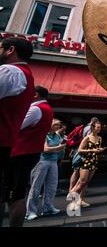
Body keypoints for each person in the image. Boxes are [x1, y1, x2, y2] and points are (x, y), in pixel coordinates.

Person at [3, 86, 53, 226]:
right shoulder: (47, 109)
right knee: (18, 193)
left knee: (13, 194)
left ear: (36, 95)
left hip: (19, 154)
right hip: (30, 153)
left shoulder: (36, 109)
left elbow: (15, 126)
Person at [0, 37, 35, 225]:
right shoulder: (25, 75)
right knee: (16, 195)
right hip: (9, 144)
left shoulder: (9, 71)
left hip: (12, 147)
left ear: (10, 50)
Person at [25, 119, 66, 220]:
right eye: (57, 125)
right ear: (51, 125)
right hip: (42, 162)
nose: (59, 127)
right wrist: (58, 148)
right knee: (36, 187)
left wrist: (61, 150)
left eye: (59, 125)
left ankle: (48, 208)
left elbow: (61, 148)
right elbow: (45, 149)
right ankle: (30, 212)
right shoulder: (44, 135)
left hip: (53, 162)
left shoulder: (57, 136)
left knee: (52, 187)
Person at [69, 121, 106, 206]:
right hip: (85, 161)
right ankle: (72, 196)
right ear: (93, 128)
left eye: (100, 127)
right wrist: (92, 150)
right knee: (82, 181)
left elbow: (97, 148)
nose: (99, 129)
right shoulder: (87, 138)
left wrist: (100, 150)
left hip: (94, 160)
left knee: (86, 182)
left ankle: (78, 199)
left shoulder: (100, 138)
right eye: (97, 127)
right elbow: (80, 150)